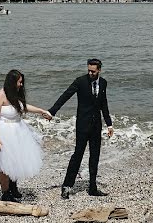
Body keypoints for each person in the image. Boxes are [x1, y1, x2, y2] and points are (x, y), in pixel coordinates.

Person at [49, 58, 113, 199]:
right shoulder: (80, 81)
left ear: (99, 70)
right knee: (77, 155)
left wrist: (109, 124)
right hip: (82, 125)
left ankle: (92, 187)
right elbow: (65, 96)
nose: (90, 73)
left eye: (93, 71)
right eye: (89, 70)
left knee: (95, 156)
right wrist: (52, 111)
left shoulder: (103, 83)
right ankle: (66, 187)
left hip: (96, 126)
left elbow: (104, 104)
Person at [0, 69, 52, 202]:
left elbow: (23, 106)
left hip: (18, 131)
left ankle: (13, 188)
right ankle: (5, 193)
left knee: (16, 161)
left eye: (21, 82)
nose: (21, 85)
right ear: (12, 82)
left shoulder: (15, 93)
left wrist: (41, 111)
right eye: (19, 82)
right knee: (5, 165)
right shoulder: (1, 95)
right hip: (4, 132)